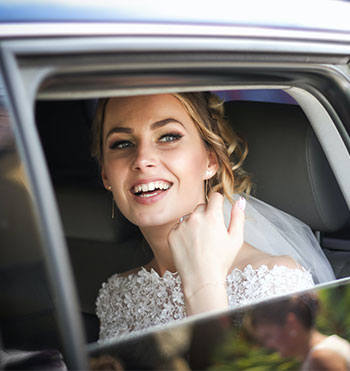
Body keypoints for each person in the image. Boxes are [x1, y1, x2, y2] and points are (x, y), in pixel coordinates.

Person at [92, 92, 334, 340]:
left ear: (211, 159)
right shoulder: (118, 294)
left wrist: (203, 288)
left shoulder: (274, 282)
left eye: (168, 137)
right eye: (122, 143)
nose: (142, 160)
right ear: (106, 175)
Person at [246, 293, 350, 370]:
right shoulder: (320, 352)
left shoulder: (321, 358)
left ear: (291, 323)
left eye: (268, 336)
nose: (268, 345)